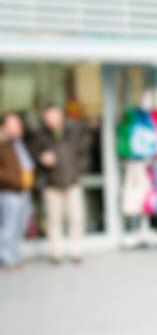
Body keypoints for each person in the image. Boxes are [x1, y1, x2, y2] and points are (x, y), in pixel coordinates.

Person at [29, 104, 88, 264]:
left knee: (76, 219)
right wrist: (42, 160)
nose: (51, 121)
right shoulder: (40, 136)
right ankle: (56, 253)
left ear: (61, 116)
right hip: (52, 185)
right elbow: (32, 157)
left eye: (54, 116)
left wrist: (78, 171)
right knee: (54, 221)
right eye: (48, 118)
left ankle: (76, 252)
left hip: (72, 183)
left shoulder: (73, 132)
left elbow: (82, 155)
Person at [0, 112, 35, 268]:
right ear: (3, 127)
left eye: (19, 123)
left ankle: (15, 256)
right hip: (10, 191)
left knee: (19, 226)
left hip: (24, 191)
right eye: (14, 124)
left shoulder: (19, 142)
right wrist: (12, 180)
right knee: (8, 227)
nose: (18, 127)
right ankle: (7, 259)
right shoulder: (2, 144)